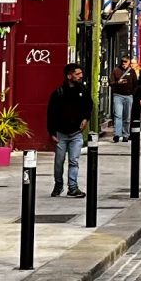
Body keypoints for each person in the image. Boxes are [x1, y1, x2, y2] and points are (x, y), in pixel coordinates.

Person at [46, 61, 92, 198]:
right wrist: (51, 132)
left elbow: (89, 106)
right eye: (77, 74)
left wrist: (85, 119)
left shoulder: (83, 91)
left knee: (74, 161)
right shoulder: (58, 93)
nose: (81, 76)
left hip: (76, 133)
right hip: (61, 133)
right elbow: (51, 113)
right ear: (69, 76)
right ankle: (58, 184)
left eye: (81, 74)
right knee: (59, 162)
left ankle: (73, 187)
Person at [108, 61, 139, 143]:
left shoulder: (131, 71)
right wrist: (118, 82)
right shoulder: (116, 70)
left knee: (127, 116)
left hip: (128, 96)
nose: (124, 65)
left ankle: (126, 135)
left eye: (126, 63)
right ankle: (117, 135)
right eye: (123, 63)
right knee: (118, 115)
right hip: (118, 95)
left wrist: (132, 93)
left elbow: (136, 84)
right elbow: (110, 83)